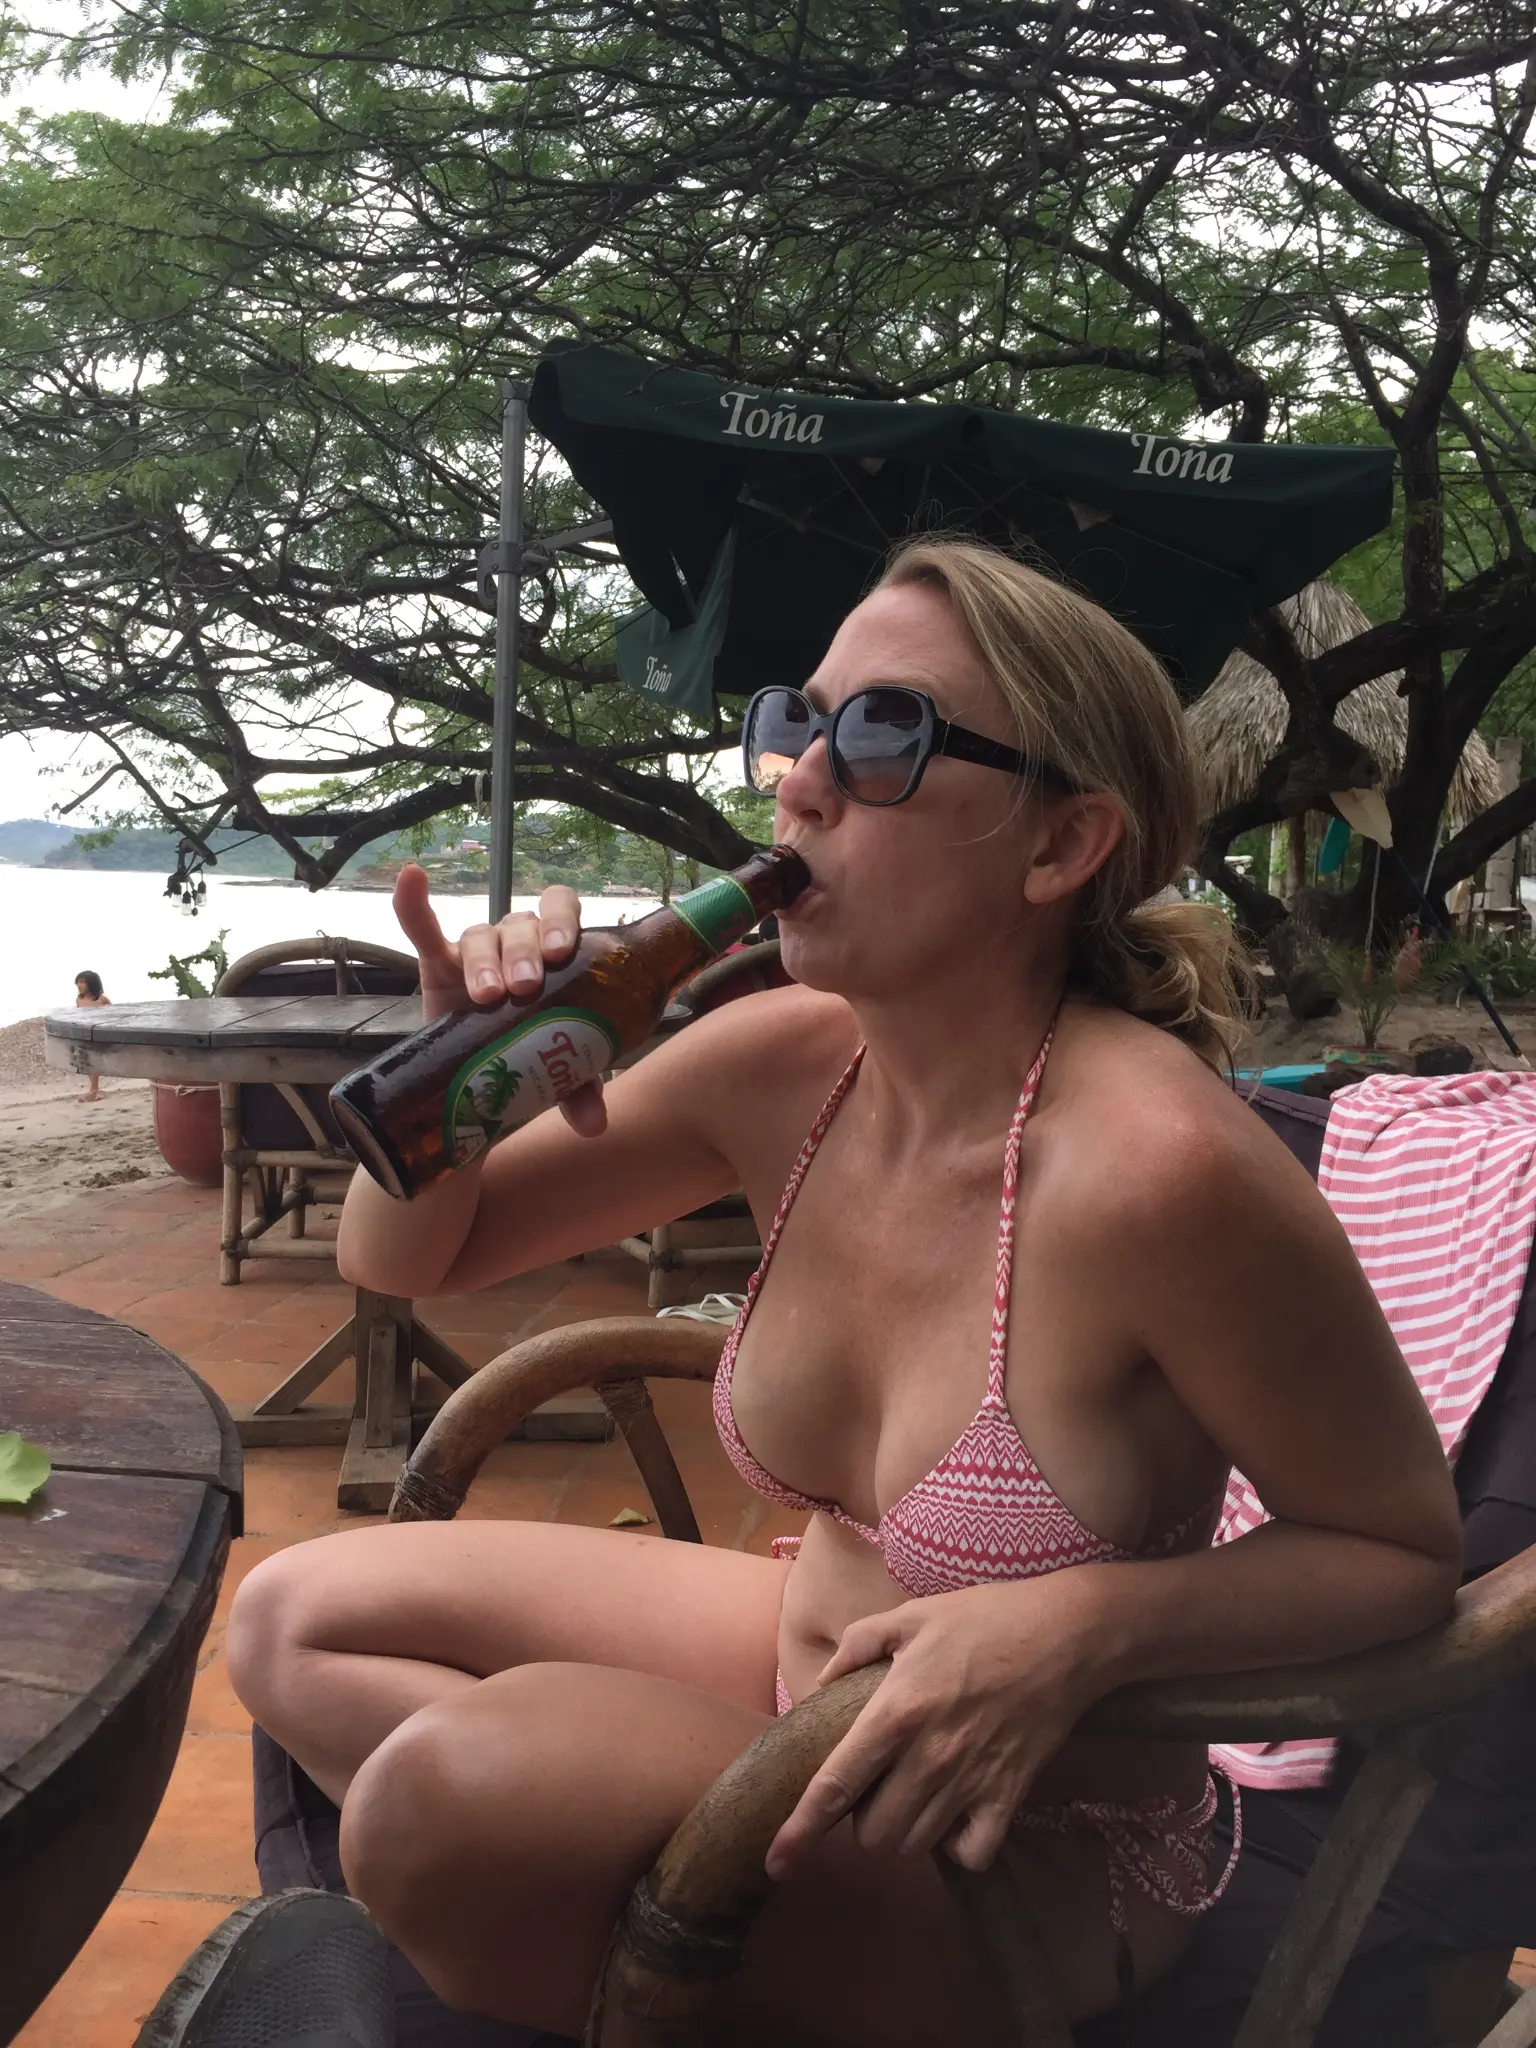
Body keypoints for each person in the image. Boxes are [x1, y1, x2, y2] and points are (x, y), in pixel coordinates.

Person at [227, 539, 1461, 2048]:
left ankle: (613, 1918)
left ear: (1060, 843)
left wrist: (1083, 1625)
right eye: (796, 721)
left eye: (884, 734)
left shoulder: (1160, 1172)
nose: (798, 782)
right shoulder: (786, 1065)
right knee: (290, 1619)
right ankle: (630, 1905)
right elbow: (402, 1256)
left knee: (446, 1798)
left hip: (1014, 1854)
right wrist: (455, 1079)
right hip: (788, 1678)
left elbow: (1401, 1552)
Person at [73, 971, 110, 1102]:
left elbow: (112, 1015)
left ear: (91, 983)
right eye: (78, 982)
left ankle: (94, 1090)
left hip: (99, 1034)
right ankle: (94, 1090)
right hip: (85, 1033)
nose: (79, 985)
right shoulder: (79, 1000)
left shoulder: (102, 999)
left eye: (82, 982)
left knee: (93, 1061)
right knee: (86, 1063)